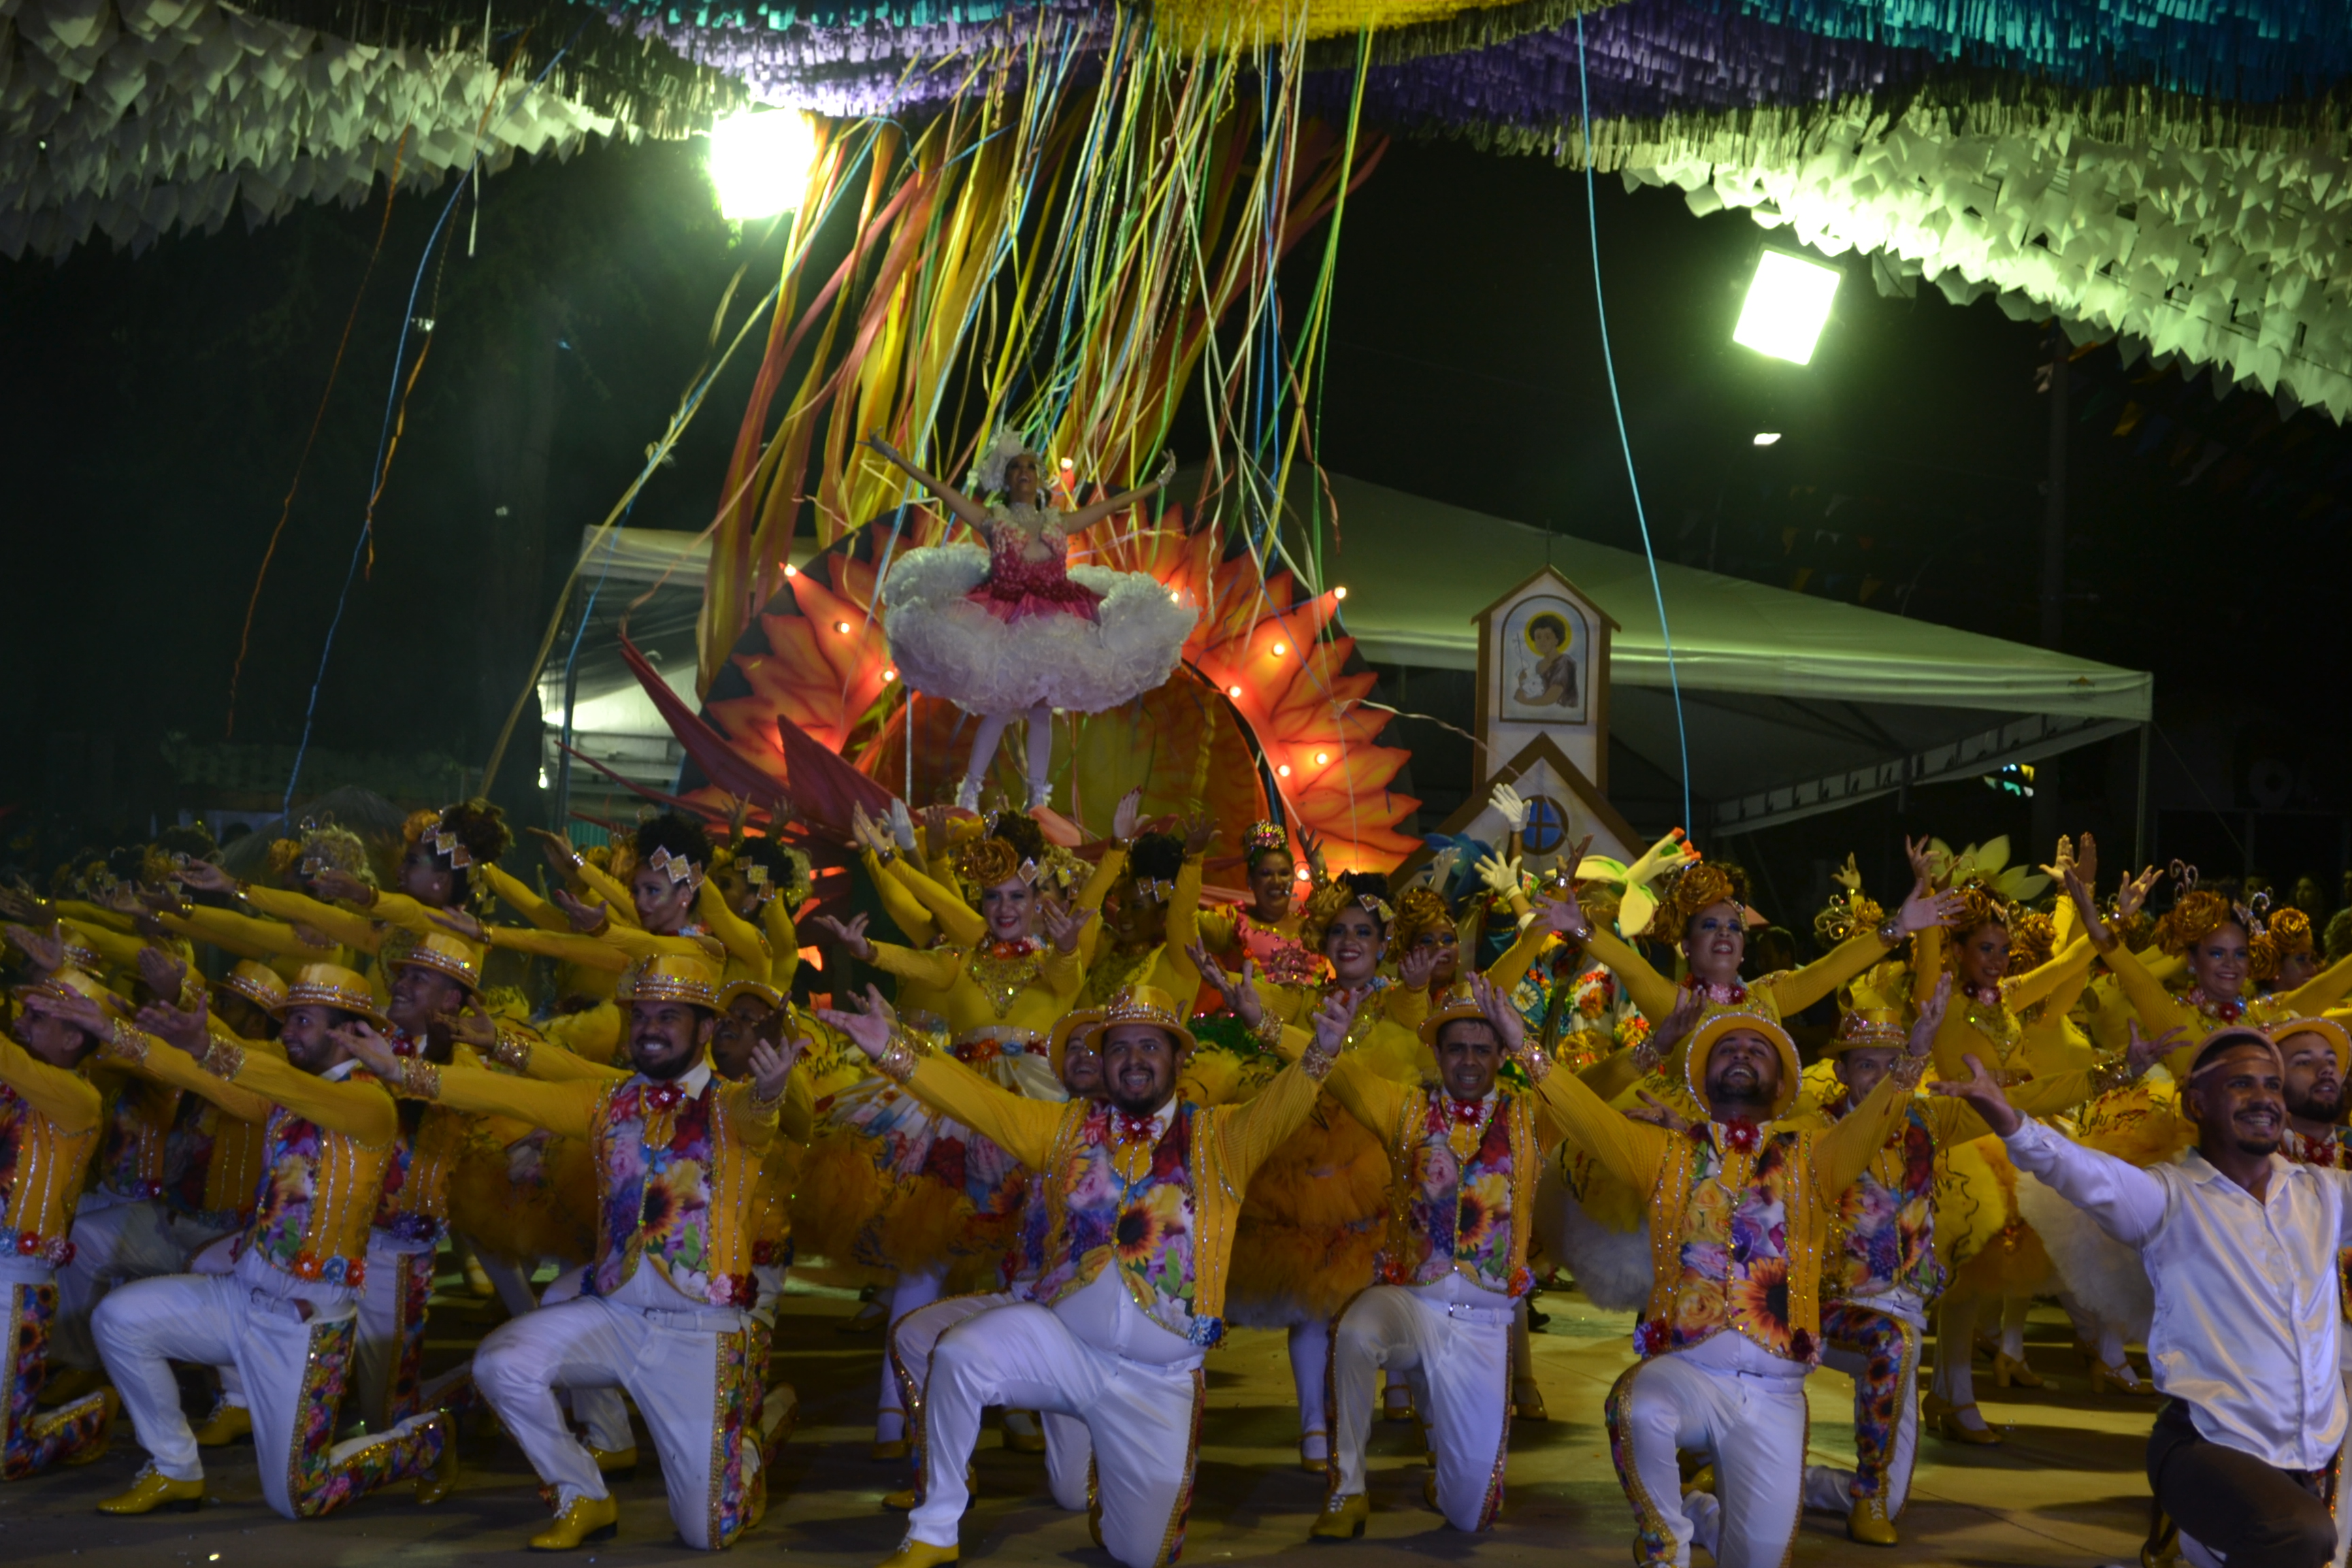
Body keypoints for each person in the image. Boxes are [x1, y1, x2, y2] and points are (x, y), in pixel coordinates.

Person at [816, 979, 1358, 1568]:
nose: (1134, 1061)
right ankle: (936, 1529)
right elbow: (976, 1101)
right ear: (1103, 1063)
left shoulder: (1221, 1139)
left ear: (1180, 1058)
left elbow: (1286, 1104)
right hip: (1064, 1347)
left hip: (1159, 1381)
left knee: (1139, 1554)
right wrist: (894, 1052)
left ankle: (1112, 1493)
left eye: (1150, 1047)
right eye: (1120, 1048)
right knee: (959, 1353)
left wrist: (1320, 1051)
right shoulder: (1064, 1132)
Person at [344, 953, 798, 1551]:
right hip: (615, 1316)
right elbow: (508, 1094)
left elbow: (760, 1116)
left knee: (709, 1532)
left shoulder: (729, 1107)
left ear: (705, 1030)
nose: (651, 1028)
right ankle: (582, 1493)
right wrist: (405, 1073)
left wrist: (770, 1090)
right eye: (642, 1016)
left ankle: (755, 1433)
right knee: (501, 1363)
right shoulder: (604, 1101)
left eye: (669, 1016)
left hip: (700, 1331)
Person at [1519, 987, 1931, 1566]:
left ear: (1782, 1081)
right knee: (1635, 1404)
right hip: (1689, 1373)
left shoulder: (1814, 1157)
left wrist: (1911, 1062)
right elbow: (1582, 1116)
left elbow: (1876, 1119)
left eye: (1757, 1049)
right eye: (1726, 1048)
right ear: (1703, 1076)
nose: (1741, 1054)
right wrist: (1525, 1050)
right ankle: (1668, 1546)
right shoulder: (1663, 1153)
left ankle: (1704, 1514)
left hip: (1774, 1396)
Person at [43, 963, 453, 1520]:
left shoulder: (369, 1105)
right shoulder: (287, 1099)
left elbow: (268, 1078)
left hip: (304, 1324)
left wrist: (208, 1043)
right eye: (288, 1021)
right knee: (119, 1319)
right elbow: (203, 1080)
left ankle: (425, 1440)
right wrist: (117, 1033)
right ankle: (173, 1469)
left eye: (303, 1020)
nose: (287, 1032)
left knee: (300, 1497)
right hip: (241, 1297)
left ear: (345, 1032)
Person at [1937, 1026, 2352, 1568]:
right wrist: (2009, 1121)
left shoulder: (2323, 1194)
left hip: (2314, 1464)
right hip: (2208, 1449)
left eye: (2272, 1085)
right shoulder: (2167, 1197)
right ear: (2196, 1102)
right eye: (2242, 1085)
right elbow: (2077, 1170)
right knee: (2301, 1536)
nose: (2264, 1099)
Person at [1793, 977, 2161, 1544]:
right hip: (1818, 1314)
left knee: (1895, 1494)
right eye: (1867, 1065)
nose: (1879, 1076)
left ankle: (1788, 1484)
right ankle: (1817, 1480)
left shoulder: (1927, 1121)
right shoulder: (1815, 1133)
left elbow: (2022, 1102)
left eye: (1892, 1063)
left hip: (1901, 1315)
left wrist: (2113, 1073)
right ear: (1841, 1073)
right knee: (1890, 1346)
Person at [1301, 977, 1570, 1539]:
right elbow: (1342, 1076)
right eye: (1456, 1048)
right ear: (1438, 1054)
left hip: (1483, 1323)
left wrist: (1654, 1046)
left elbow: (1590, 1095)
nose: (1469, 1061)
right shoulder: (1406, 1110)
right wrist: (1267, 1025)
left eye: (1482, 1048)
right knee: (1354, 1331)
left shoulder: (1528, 1119)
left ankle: (1447, 1476)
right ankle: (1347, 1488)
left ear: (1501, 1052)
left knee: (1470, 1515)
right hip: (1411, 1303)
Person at [866, 431, 1193, 810]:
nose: (1024, 472)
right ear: (1005, 480)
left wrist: (1157, 483)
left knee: (1041, 707)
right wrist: (894, 457)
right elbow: (941, 489)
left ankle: (1038, 798)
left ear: (1039, 479)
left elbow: (1113, 504)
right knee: (1003, 706)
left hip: (1059, 617)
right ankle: (969, 791)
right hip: (1006, 616)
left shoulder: (1058, 520)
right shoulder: (992, 518)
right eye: (1016, 467)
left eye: (1030, 467)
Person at [876, 1005, 1109, 1518]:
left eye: (1098, 1046)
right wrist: (899, 1045)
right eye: (1073, 1047)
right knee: (916, 1335)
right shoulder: (1036, 1122)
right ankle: (945, 1482)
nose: (1083, 1055)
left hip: (1094, 1335)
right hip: (1028, 1309)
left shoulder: (1138, 1133)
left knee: (1076, 1497)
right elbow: (972, 1098)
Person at [0, 965, 121, 1476]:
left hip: (17, 1286)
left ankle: (93, 1414)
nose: (22, 1024)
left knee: (7, 1457)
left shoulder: (78, 1098)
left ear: (73, 1037)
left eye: (36, 1017)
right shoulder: (18, 1082)